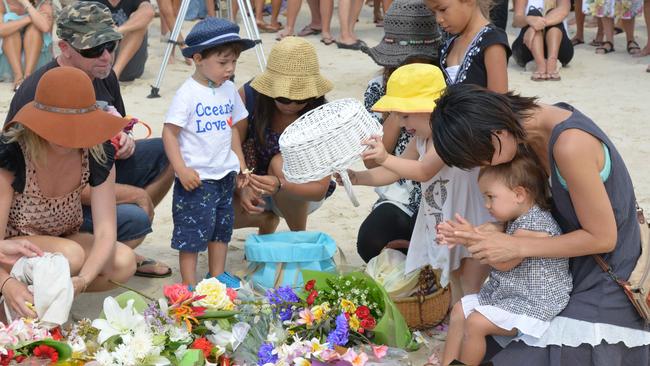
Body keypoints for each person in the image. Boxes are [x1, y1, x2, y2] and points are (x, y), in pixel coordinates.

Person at [430, 83, 650, 365]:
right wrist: (495, 232)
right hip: (558, 268)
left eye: (480, 156)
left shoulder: (570, 144)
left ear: (497, 132)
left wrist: (516, 245)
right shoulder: (525, 138)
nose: (483, 164)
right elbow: (542, 214)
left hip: (607, 276)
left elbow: (604, 238)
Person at [5, 1, 174, 279]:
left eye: (110, 45)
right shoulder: (39, 90)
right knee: (133, 218)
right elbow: (24, 169)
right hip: (39, 200)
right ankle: (58, 263)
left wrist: (124, 138)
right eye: (94, 49)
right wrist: (133, 194)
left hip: (88, 172)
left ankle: (85, 261)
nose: (106, 56)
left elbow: (111, 131)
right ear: (64, 48)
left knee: (168, 149)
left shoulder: (104, 75)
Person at [346, 64, 492, 306]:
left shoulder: (450, 135)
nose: (402, 124)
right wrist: (358, 178)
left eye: (405, 116)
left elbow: (423, 171)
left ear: (431, 109)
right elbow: (394, 171)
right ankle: (457, 333)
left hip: (473, 222)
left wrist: (384, 157)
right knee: (453, 278)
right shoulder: (421, 138)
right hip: (446, 221)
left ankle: (468, 337)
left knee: (470, 285)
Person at [0, 66, 137, 319]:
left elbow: (107, 230)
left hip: (61, 236)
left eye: (75, 125)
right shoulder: (13, 153)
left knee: (123, 261)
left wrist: (83, 280)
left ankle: (44, 299)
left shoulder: (97, 151)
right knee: (69, 256)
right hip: (14, 242)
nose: (65, 135)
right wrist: (6, 284)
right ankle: (15, 302)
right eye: (56, 126)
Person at [437, 156, 572, 365]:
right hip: (510, 295)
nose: (487, 205)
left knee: (475, 323)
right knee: (460, 309)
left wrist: (469, 239)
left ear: (519, 194)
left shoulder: (537, 224)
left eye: (491, 197)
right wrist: (463, 234)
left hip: (534, 303)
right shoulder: (515, 220)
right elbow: (483, 235)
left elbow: (503, 262)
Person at [162, 18, 254, 287]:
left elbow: (232, 129)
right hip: (197, 177)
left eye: (234, 62)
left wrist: (240, 164)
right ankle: (189, 283)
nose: (229, 69)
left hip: (224, 173)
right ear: (198, 58)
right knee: (191, 232)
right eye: (223, 62)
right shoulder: (188, 93)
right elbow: (169, 133)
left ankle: (216, 272)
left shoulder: (228, 90)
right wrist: (181, 169)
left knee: (221, 227)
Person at [357, 0, 442, 262]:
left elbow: (423, 170)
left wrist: (403, 105)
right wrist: (397, 108)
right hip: (403, 195)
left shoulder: (442, 118)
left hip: (438, 201)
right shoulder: (416, 135)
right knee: (371, 240)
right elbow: (377, 164)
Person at [235, 37, 334, 233]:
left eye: (302, 99)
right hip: (248, 179)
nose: (292, 105)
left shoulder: (322, 115)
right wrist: (242, 182)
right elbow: (231, 142)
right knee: (211, 215)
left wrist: (281, 185)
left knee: (282, 163)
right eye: (283, 98)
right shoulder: (249, 96)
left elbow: (319, 190)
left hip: (296, 190)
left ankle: (298, 236)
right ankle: (266, 221)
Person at [428, 0, 510, 92]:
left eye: (442, 9)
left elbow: (499, 100)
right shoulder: (446, 47)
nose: (438, 19)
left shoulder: (492, 41)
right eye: (433, 13)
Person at [85, 0, 154, 81]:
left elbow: (149, 12)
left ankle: (114, 76)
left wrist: (118, 31)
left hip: (128, 62)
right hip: (100, 56)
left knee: (139, 22)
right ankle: (111, 78)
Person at [511, 0, 573, 81]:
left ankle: (552, 61)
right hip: (527, 49)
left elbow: (563, 10)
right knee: (533, 13)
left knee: (553, 13)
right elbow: (516, 20)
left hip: (559, 50)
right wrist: (529, 20)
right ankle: (540, 63)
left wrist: (534, 26)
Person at [0, 0, 53, 91]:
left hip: (35, 57)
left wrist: (26, 3)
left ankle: (28, 76)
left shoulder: (43, 4)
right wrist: (29, 19)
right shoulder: (2, 3)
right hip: (9, 55)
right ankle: (18, 76)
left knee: (34, 30)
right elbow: (1, 30)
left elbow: (45, 27)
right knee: (10, 31)